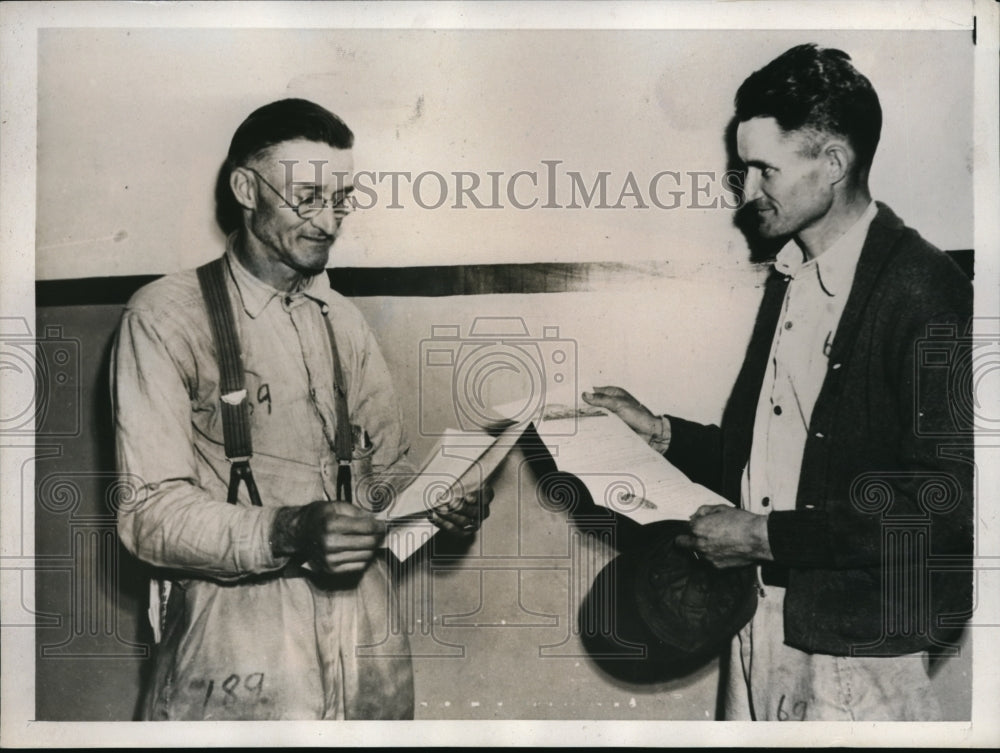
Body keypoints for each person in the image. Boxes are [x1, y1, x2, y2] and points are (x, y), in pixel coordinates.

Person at [584, 44, 973, 721]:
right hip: (761, 620)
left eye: (766, 168)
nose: (747, 191)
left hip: (857, 651)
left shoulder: (925, 289)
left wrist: (765, 538)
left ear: (834, 163)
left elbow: (946, 503)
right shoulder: (792, 277)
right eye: (744, 169)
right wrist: (662, 434)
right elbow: (773, 470)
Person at [112, 98, 491, 720]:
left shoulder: (344, 321)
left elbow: (384, 480)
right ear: (245, 189)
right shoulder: (165, 317)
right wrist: (287, 530)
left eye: (342, 199)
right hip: (237, 647)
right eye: (308, 197)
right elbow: (148, 517)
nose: (329, 221)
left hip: (368, 643)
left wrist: (444, 502)